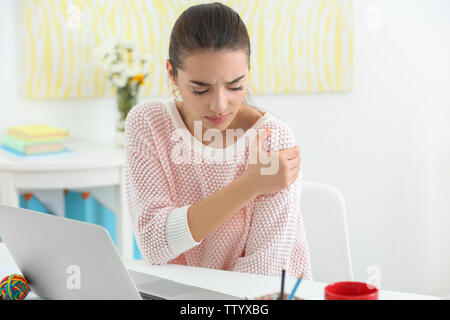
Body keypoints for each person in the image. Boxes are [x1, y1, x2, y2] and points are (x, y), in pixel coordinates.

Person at [124, 2, 312, 280]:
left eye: (236, 86)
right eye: (200, 89)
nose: (220, 105)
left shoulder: (274, 141)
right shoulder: (148, 124)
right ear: (172, 74)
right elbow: (154, 243)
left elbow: (261, 276)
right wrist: (251, 184)